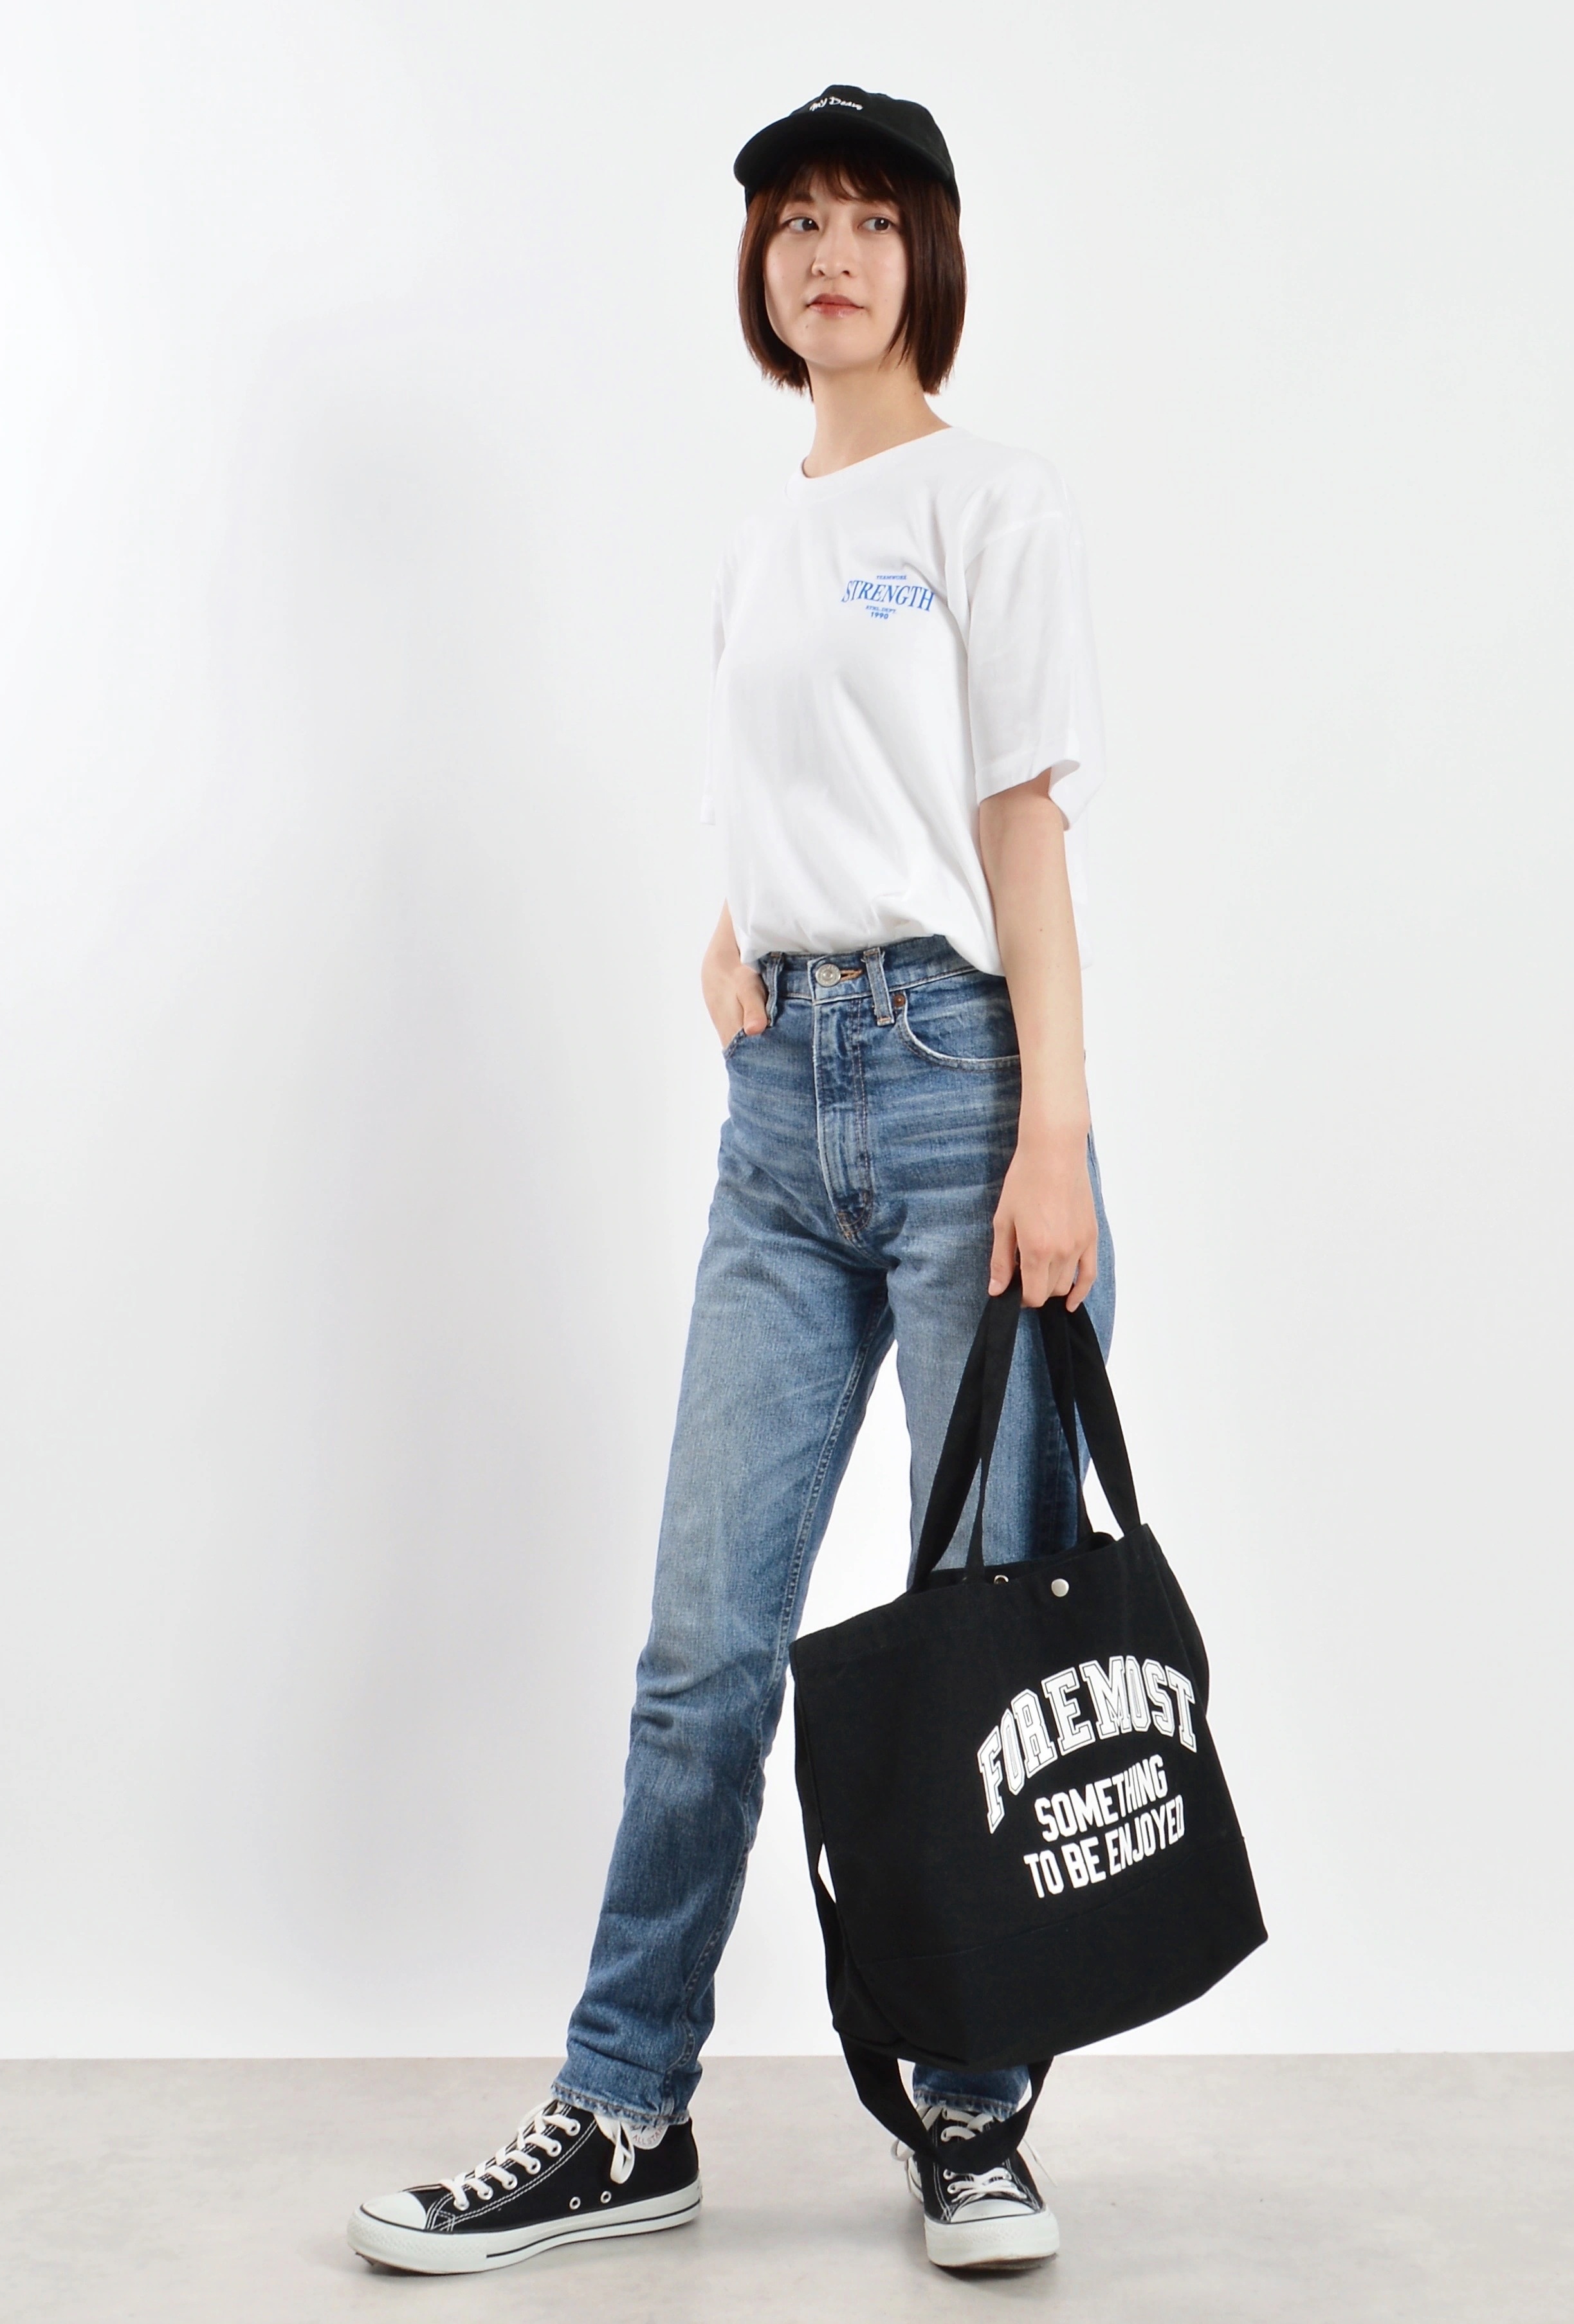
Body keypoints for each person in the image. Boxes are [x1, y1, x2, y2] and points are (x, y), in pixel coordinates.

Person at [349, 82, 1115, 2280]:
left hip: (966, 1093)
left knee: (981, 1632)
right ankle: (622, 2110)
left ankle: (971, 2112)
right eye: (794, 224)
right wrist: (734, 943)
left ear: (926, 255)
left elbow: (1018, 825)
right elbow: (797, 794)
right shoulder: (758, 543)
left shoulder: (990, 500)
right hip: (781, 1126)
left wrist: (1052, 1132)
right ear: (759, 270)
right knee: (703, 1651)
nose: (827, 257)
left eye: (867, 219)